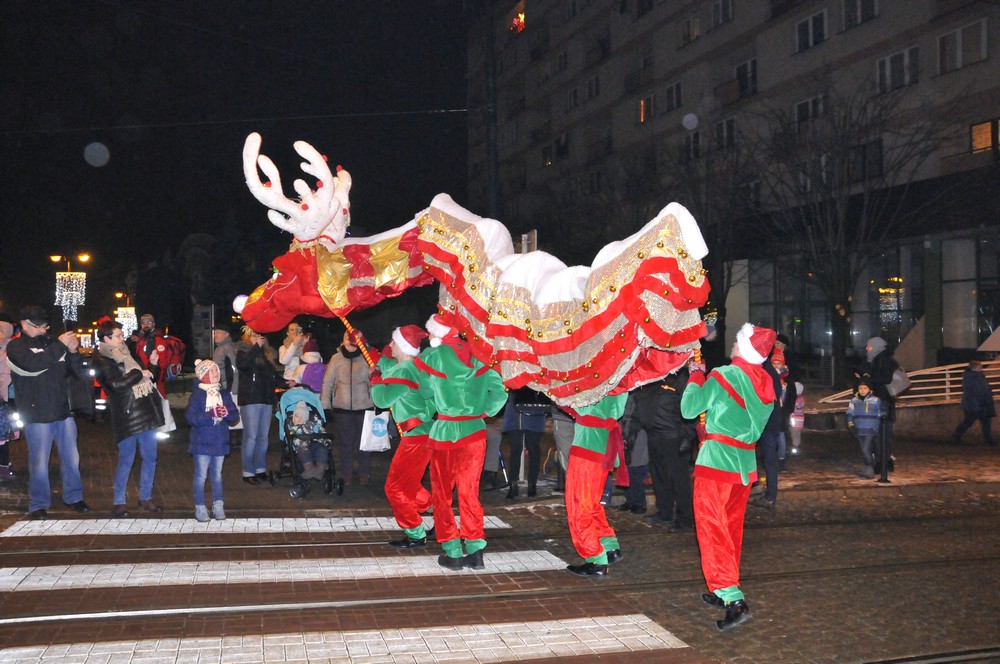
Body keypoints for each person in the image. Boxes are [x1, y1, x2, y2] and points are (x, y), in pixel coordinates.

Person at [681, 322, 777, 631]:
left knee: (712, 529)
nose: (733, 346)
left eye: (737, 342)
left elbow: (689, 408)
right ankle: (723, 588)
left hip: (716, 463)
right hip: (744, 465)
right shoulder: (766, 384)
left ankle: (734, 599)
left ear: (743, 348)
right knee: (730, 529)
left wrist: (696, 375)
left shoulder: (724, 375)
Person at [414, 312, 506, 571]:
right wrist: (482, 411)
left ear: (440, 333)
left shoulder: (433, 356)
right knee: (469, 493)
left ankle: (452, 550)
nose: (429, 336)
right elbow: (499, 393)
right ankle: (475, 548)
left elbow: (423, 390)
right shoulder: (480, 356)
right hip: (474, 431)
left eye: (431, 332)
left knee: (442, 495)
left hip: (445, 432)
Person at [6, 306, 90, 519]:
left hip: (63, 410)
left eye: (45, 325)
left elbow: (76, 373)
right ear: (24, 324)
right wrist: (61, 345)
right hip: (37, 413)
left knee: (72, 459)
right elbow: (34, 365)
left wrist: (72, 352)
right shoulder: (16, 346)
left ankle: (74, 497)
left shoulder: (54, 343)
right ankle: (39, 504)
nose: (44, 329)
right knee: (39, 462)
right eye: (38, 326)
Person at [370, 324, 435, 548]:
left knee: (395, 488)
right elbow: (388, 366)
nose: (389, 345)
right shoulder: (414, 367)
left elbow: (382, 400)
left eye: (393, 342)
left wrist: (375, 381)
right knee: (409, 484)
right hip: (423, 434)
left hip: (416, 437)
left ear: (404, 346)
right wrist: (377, 358)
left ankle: (416, 533)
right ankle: (437, 509)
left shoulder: (405, 371)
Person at [92, 319, 166, 516]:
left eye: (122, 335)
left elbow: (147, 376)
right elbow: (114, 386)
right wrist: (138, 373)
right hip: (126, 415)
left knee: (150, 457)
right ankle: (119, 501)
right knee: (126, 459)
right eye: (117, 335)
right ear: (106, 338)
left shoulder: (128, 354)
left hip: (145, 412)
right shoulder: (102, 360)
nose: (122, 338)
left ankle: (146, 497)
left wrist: (153, 365)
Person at [562, 392, 629, 577]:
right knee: (591, 504)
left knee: (578, 506)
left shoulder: (596, 374)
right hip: (603, 445)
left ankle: (595, 558)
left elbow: (581, 403)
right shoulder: (619, 376)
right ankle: (609, 546)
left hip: (587, 447)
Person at [632, 369, 695, 531]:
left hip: (673, 435)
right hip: (653, 433)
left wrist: (687, 436)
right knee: (659, 476)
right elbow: (641, 402)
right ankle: (664, 511)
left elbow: (690, 407)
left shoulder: (680, 377)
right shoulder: (652, 375)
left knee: (679, 479)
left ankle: (685, 518)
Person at [185, 359, 240, 522]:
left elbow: (234, 416)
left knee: (217, 475)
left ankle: (218, 505)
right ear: (203, 376)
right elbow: (190, 418)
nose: (216, 375)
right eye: (212, 372)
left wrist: (226, 413)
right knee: (201, 476)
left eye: (217, 371)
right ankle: (200, 506)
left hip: (219, 441)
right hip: (201, 442)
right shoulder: (197, 396)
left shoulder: (223, 394)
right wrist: (211, 415)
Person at [322, 329, 375, 485]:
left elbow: (375, 382)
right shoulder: (336, 359)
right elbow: (327, 383)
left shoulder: (367, 359)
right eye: (347, 338)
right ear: (343, 340)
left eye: (353, 339)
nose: (350, 341)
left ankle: (364, 473)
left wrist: (378, 403)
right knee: (345, 443)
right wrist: (325, 405)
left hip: (364, 407)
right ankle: (347, 474)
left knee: (364, 443)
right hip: (342, 409)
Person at [235, 328, 280, 485]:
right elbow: (243, 365)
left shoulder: (266, 354)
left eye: (259, 335)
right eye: (253, 335)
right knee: (251, 436)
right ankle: (248, 471)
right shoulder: (243, 350)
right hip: (251, 399)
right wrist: (256, 348)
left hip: (266, 399)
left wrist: (285, 382)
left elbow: (271, 376)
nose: (257, 338)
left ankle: (260, 468)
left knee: (263, 437)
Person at [750, 348, 787, 510]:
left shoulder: (762, 371)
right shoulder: (769, 371)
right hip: (770, 419)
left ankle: (768, 494)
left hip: (764, 419)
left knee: (765, 458)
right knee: (767, 458)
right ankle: (766, 491)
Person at [856, 337, 899, 469]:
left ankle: (883, 462)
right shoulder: (872, 360)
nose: (867, 348)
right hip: (877, 400)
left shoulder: (883, 361)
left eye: (869, 346)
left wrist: (867, 377)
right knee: (880, 432)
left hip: (882, 400)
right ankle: (884, 461)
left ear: (876, 347)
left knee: (881, 432)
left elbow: (884, 379)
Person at [501, 388, 547, 499]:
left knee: (531, 448)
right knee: (518, 449)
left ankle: (530, 484)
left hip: (532, 410)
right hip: (517, 412)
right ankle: (515, 484)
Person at [953, 360, 996, 446]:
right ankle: (988, 440)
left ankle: (988, 439)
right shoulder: (976, 377)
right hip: (977, 403)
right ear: (974, 367)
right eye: (980, 367)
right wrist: (987, 398)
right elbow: (980, 390)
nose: (981, 368)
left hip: (975, 403)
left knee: (976, 421)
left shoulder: (974, 376)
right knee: (976, 421)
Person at [847, 379, 881, 478]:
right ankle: (868, 468)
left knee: (866, 449)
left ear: (869, 389)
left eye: (865, 388)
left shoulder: (875, 400)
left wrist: (878, 427)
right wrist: (851, 425)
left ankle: (870, 470)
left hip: (871, 428)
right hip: (859, 428)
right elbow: (850, 414)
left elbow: (880, 414)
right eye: (860, 388)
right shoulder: (854, 401)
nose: (862, 390)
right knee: (864, 450)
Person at [0, 319, 15, 480]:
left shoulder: (11, 349)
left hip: (6, 398)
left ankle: (3, 466)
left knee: (2, 435)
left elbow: (7, 374)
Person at [278, 322, 306, 386]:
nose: (295, 332)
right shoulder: (283, 348)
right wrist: (294, 345)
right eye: (292, 330)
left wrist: (306, 345)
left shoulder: (306, 345)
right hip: (290, 379)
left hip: (304, 379)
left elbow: (317, 360)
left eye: (297, 329)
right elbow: (284, 361)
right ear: (287, 333)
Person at [789, 382, 806, 454]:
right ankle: (798, 446)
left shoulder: (796, 399)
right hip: (800, 420)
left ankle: (795, 447)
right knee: (798, 433)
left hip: (794, 420)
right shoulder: (802, 398)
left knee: (794, 433)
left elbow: (793, 408)